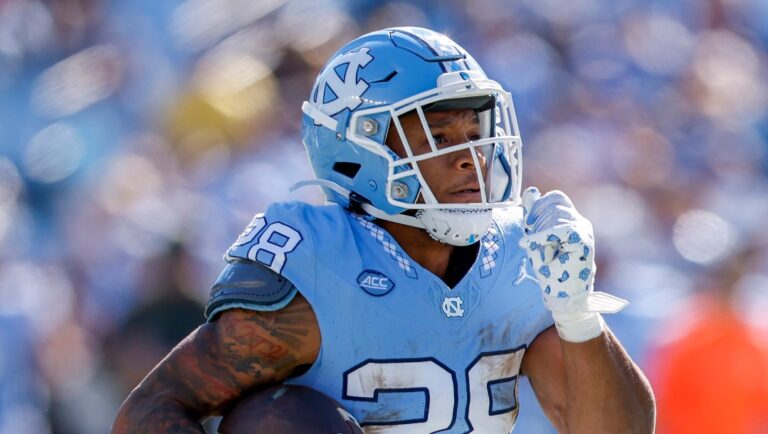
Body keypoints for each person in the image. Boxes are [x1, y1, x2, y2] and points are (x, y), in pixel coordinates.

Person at [111, 27, 655, 433]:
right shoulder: (318, 266)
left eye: (476, 132)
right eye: (440, 135)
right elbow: (154, 410)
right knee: (283, 421)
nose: (472, 158)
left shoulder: (518, 255)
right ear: (359, 152)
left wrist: (577, 313)